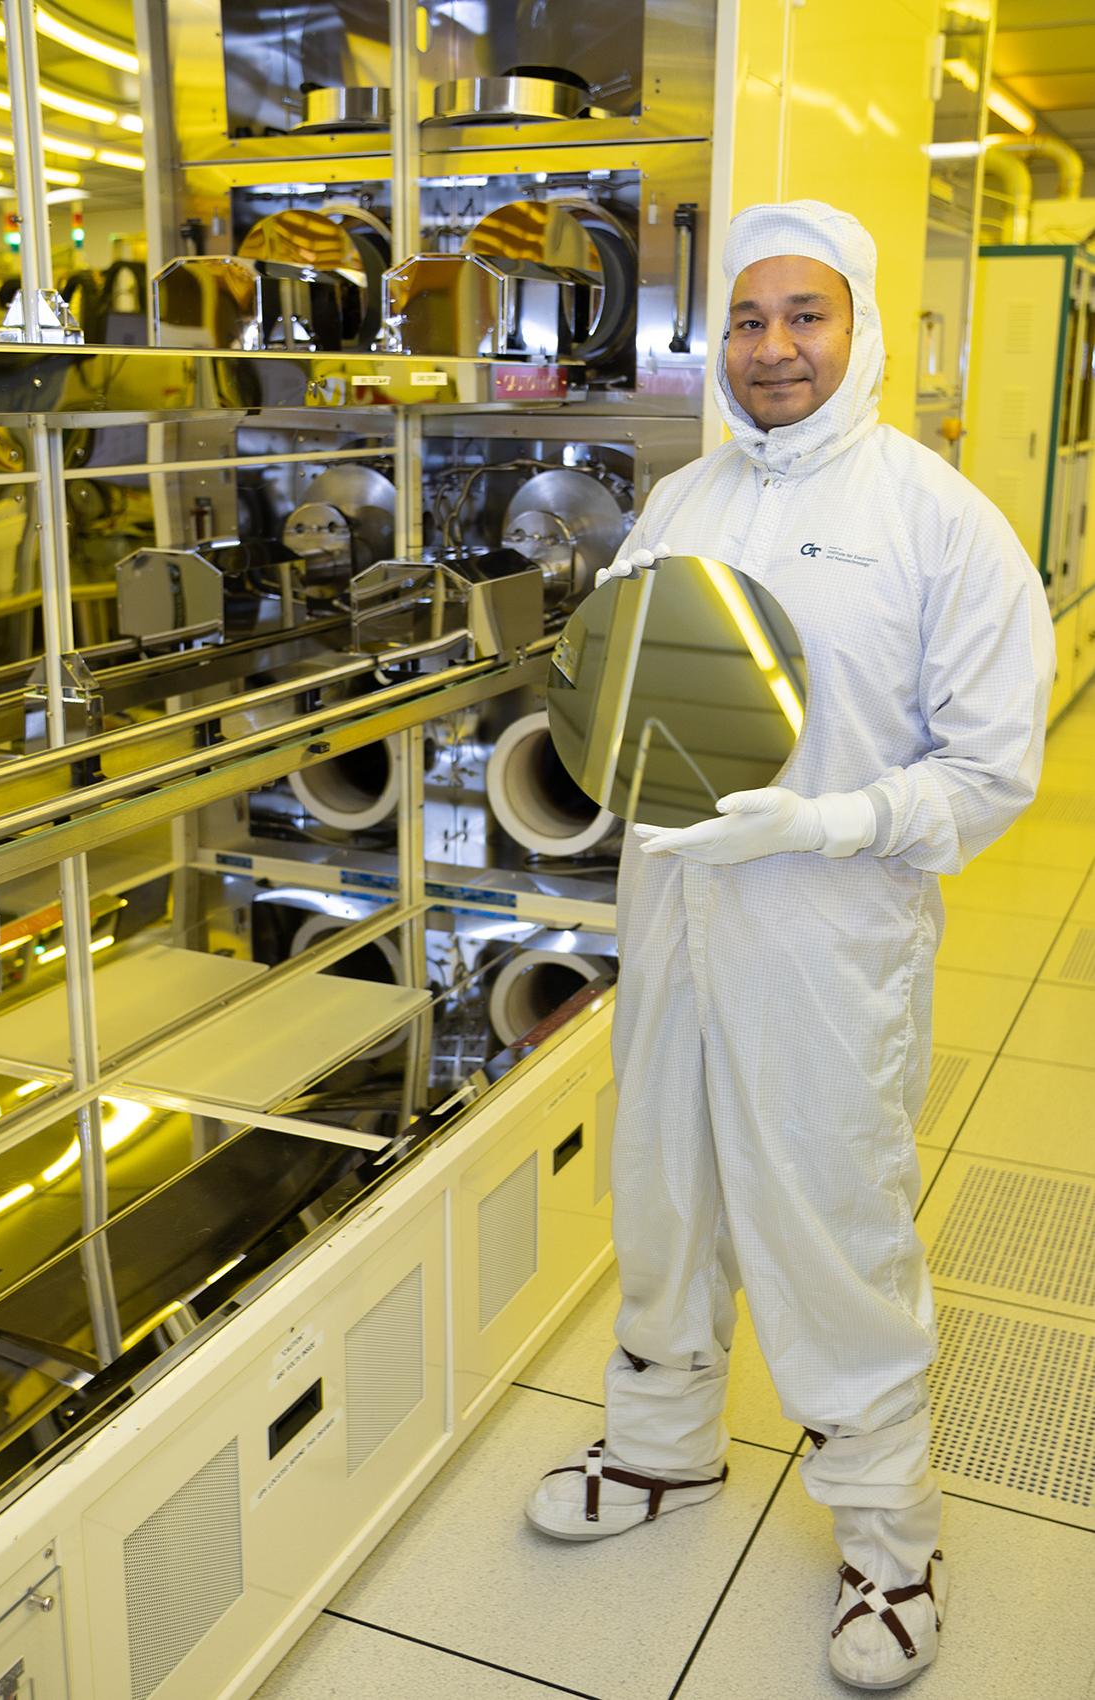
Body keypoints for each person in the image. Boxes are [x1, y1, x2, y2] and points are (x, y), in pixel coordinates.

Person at [525, 200, 1055, 1690]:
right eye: (746, 322)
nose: (770, 350)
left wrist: (817, 828)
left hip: (826, 942)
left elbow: (985, 770)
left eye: (801, 316)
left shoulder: (936, 522)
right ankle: (662, 1450)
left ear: (858, 323)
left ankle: (890, 1538)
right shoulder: (682, 502)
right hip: (675, 919)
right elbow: (628, 700)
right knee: (665, 1193)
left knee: (830, 1225)